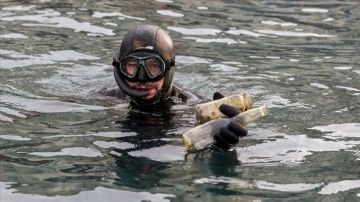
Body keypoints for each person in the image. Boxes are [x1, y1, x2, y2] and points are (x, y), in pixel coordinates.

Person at [100, 24, 248, 151]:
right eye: (132, 66)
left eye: (154, 66)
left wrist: (224, 133)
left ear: (168, 69)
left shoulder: (191, 106)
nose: (142, 78)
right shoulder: (109, 98)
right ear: (120, 69)